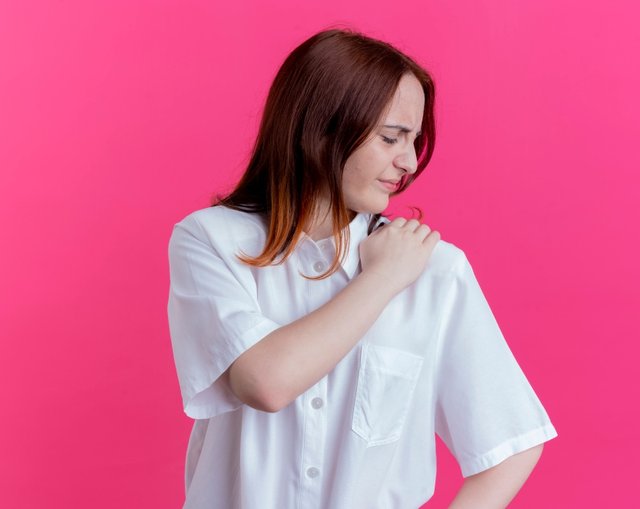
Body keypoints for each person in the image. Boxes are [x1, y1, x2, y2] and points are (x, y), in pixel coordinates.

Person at [167, 27, 558, 509]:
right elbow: (265, 382)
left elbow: (512, 444)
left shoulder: (437, 271)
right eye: (392, 137)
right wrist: (382, 279)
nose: (410, 161)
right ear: (320, 126)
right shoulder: (211, 240)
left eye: (414, 141)